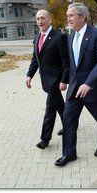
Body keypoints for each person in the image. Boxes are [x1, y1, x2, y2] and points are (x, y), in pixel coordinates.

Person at [54, 2, 97, 166]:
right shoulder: (70, 36)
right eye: (68, 16)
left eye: (71, 15)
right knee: (68, 121)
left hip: (93, 89)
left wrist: (88, 83)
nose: (68, 19)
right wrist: (65, 80)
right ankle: (69, 153)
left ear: (82, 17)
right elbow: (71, 64)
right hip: (74, 89)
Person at [26, 10, 69, 150]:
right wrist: (29, 75)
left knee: (50, 109)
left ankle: (45, 139)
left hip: (56, 80)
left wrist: (64, 80)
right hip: (45, 80)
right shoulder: (37, 37)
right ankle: (69, 124)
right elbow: (35, 59)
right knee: (60, 105)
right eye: (38, 19)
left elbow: (65, 61)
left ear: (50, 20)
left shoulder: (59, 37)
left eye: (43, 18)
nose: (40, 21)